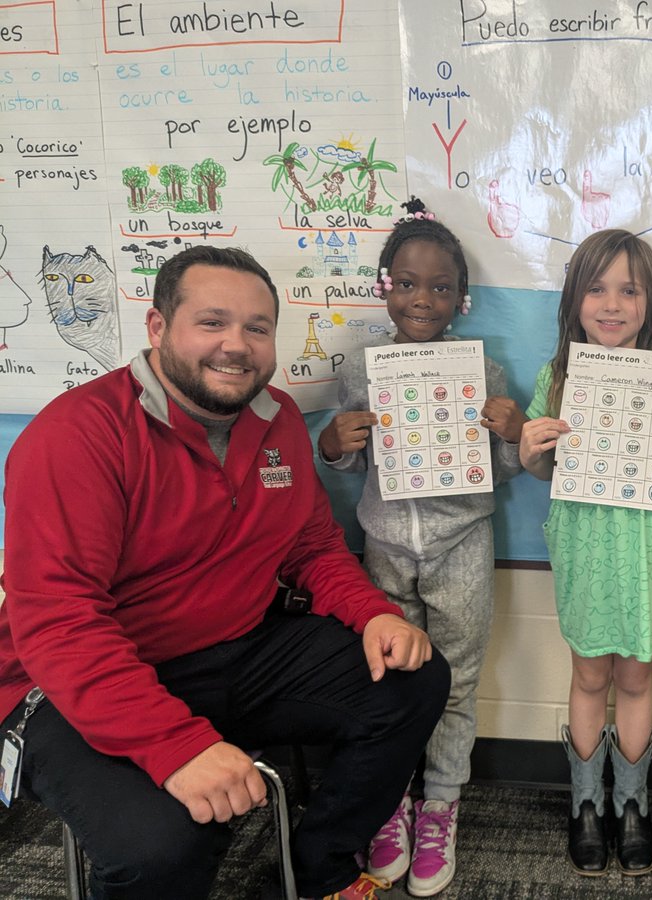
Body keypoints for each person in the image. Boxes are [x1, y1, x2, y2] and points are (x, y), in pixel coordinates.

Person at [0, 245, 450, 900]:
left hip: (233, 650)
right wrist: (175, 746)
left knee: (414, 679)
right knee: (163, 847)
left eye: (256, 328)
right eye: (211, 322)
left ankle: (311, 872)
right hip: (74, 681)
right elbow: (62, 628)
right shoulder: (76, 435)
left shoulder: (278, 418)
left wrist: (373, 612)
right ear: (159, 329)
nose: (235, 345)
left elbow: (312, 545)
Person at [317, 198, 525, 896]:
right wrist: (333, 444)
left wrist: (509, 433)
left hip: (461, 541)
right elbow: (346, 458)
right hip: (383, 545)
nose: (423, 298)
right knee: (390, 678)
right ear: (384, 287)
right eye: (407, 282)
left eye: (440, 287)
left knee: (457, 679)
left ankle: (441, 804)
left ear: (461, 298)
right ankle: (389, 804)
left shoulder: (485, 373)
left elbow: (504, 467)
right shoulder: (361, 367)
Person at [519, 229, 652, 877]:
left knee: (636, 678)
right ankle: (585, 805)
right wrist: (530, 450)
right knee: (589, 676)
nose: (612, 303)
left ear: (649, 301)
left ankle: (631, 804)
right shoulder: (558, 376)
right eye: (597, 288)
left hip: (647, 549)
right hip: (587, 549)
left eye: (628, 289)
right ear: (575, 300)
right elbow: (541, 471)